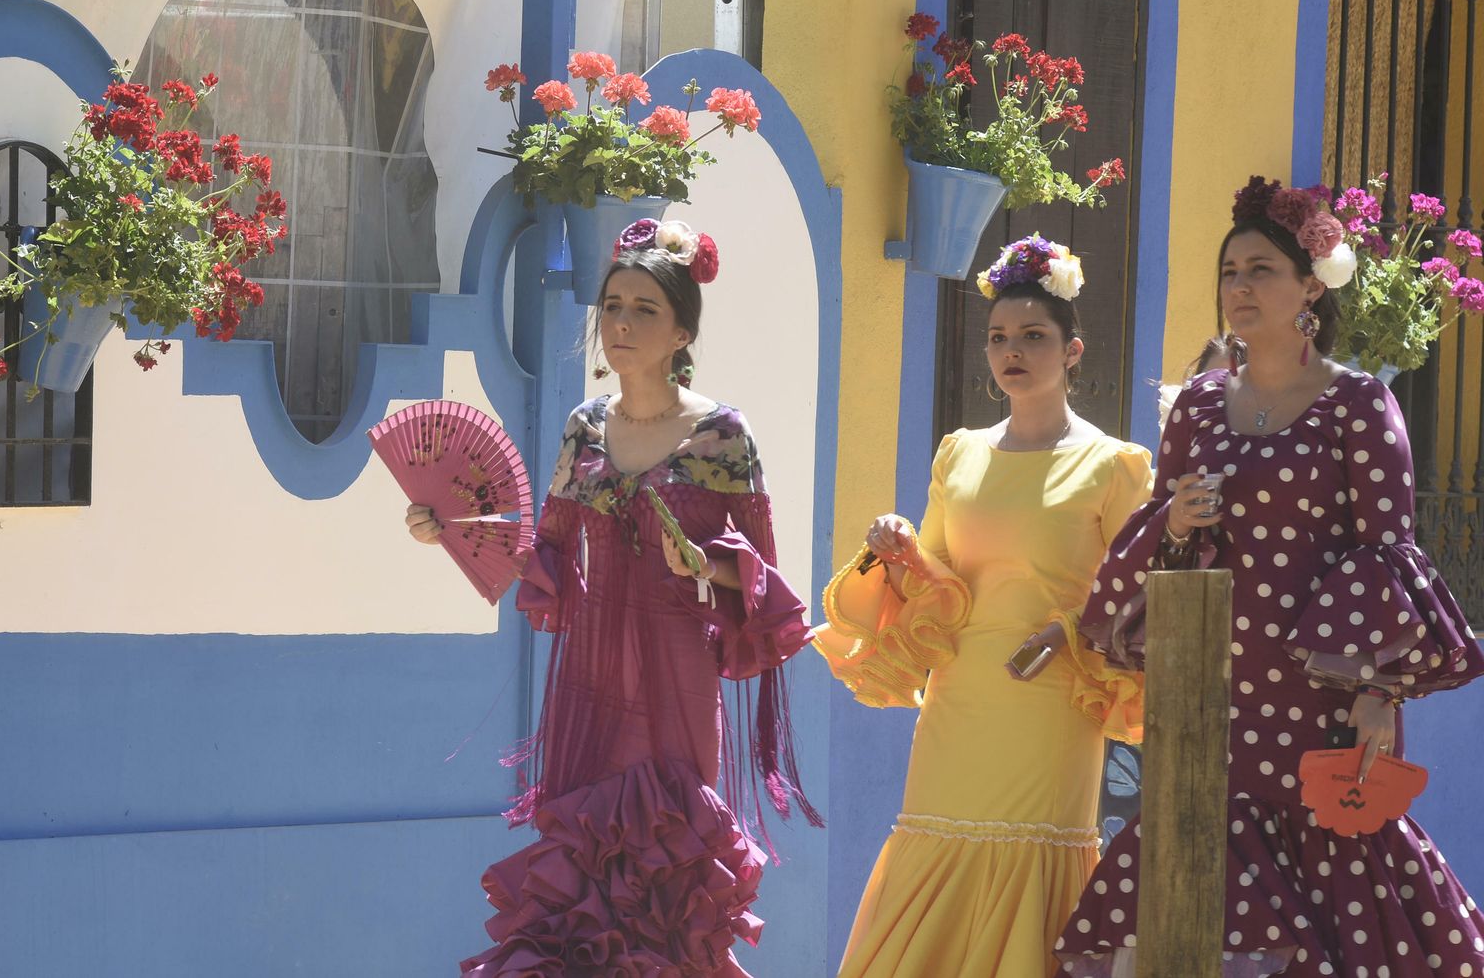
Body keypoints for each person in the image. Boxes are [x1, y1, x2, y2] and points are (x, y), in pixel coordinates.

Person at [1057, 176, 1484, 976]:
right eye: (1229, 272)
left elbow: (1387, 549)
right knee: (1192, 869)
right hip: (1209, 681)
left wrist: (1378, 692)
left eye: (1260, 270)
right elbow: (1161, 537)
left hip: (1321, 691)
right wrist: (1178, 521)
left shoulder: (1357, 403)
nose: (1240, 287)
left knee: (1334, 858)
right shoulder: (1197, 407)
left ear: (1309, 289)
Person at [406, 217, 819, 977]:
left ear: (681, 330)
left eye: (644, 309)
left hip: (676, 680)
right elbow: (549, 554)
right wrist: (456, 528)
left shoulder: (723, 435)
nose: (622, 323)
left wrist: (708, 564)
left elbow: (766, 579)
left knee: (667, 877)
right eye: (613, 305)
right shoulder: (584, 427)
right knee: (581, 886)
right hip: (591, 682)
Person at [815, 234, 1153, 978]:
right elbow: (937, 583)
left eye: (1034, 336)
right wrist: (898, 544)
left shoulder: (1112, 466)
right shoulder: (958, 452)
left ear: (1073, 351)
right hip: (958, 699)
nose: (1013, 350)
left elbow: (1137, 596)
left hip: (1050, 705)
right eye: (999, 336)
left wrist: (1068, 632)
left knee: (1033, 865)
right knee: (934, 846)